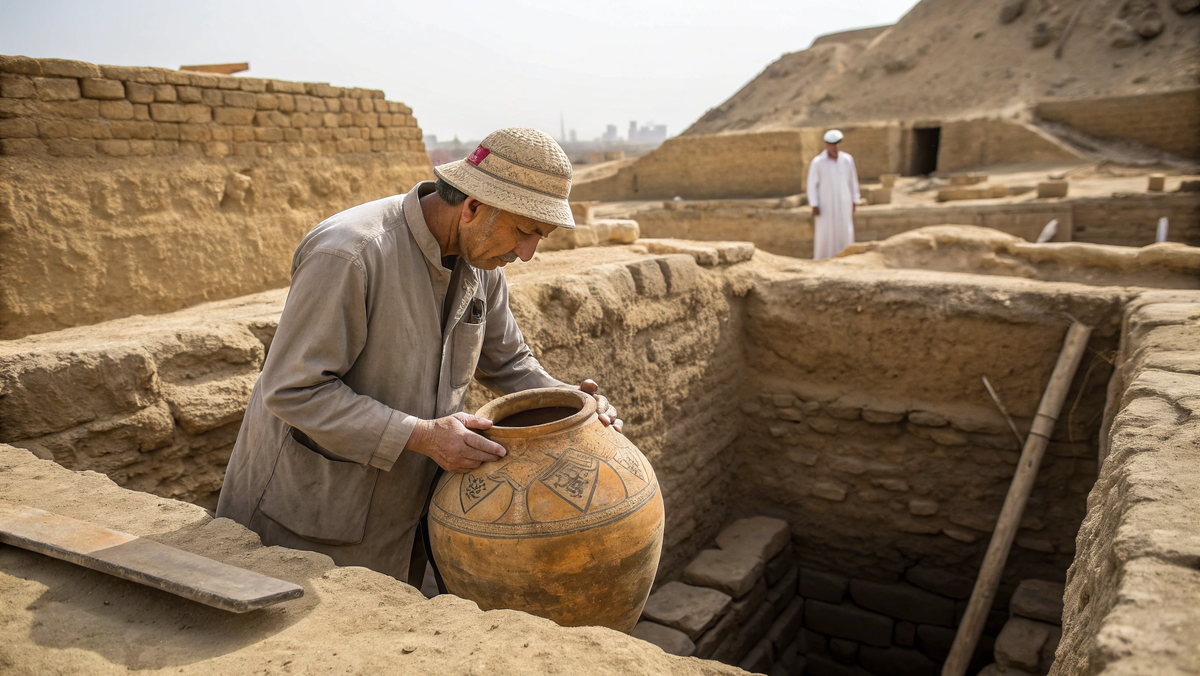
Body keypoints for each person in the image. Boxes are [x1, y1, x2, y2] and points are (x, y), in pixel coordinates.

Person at [216, 127, 622, 590]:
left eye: (539, 238)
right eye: (525, 232)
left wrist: (571, 403)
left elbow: (509, 363)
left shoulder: (482, 263)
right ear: (473, 206)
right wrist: (424, 437)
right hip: (305, 518)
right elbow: (293, 389)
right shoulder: (351, 253)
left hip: (402, 516)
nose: (526, 254)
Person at [806, 129, 861, 259]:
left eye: (836, 144)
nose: (834, 147)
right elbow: (811, 185)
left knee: (844, 230)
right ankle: (823, 259)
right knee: (825, 233)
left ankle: (845, 257)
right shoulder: (818, 162)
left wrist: (855, 200)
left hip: (844, 202)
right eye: (831, 144)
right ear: (826, 145)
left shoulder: (847, 160)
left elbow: (853, 181)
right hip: (825, 205)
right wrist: (814, 204)